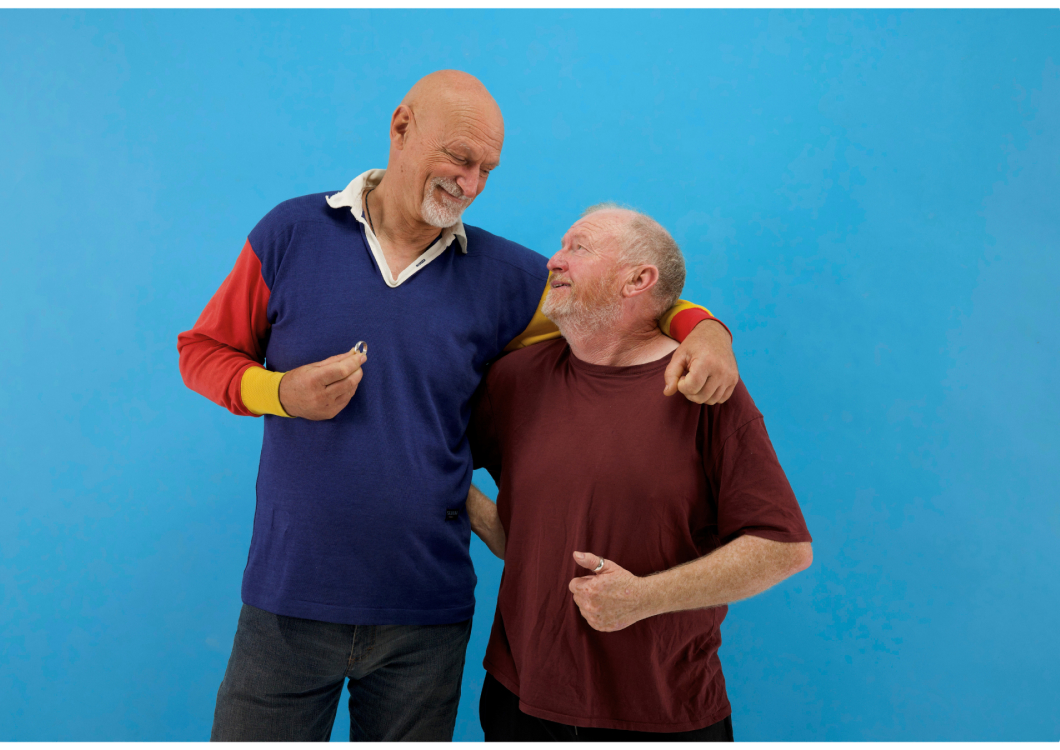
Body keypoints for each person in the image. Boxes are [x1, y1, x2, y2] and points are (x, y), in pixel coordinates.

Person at [177, 71, 740, 741]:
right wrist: (280, 393)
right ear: (401, 128)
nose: (470, 182)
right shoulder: (292, 233)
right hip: (288, 602)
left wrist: (705, 331)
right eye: (459, 157)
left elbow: (626, 304)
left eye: (486, 169)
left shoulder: (504, 278)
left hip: (425, 618)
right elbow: (204, 350)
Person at [467, 204, 813, 741]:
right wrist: (463, 499)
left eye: (577, 247)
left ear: (639, 280)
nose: (554, 260)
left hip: (661, 712)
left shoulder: (704, 388)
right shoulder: (516, 381)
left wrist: (644, 597)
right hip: (519, 702)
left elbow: (783, 547)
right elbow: (520, 531)